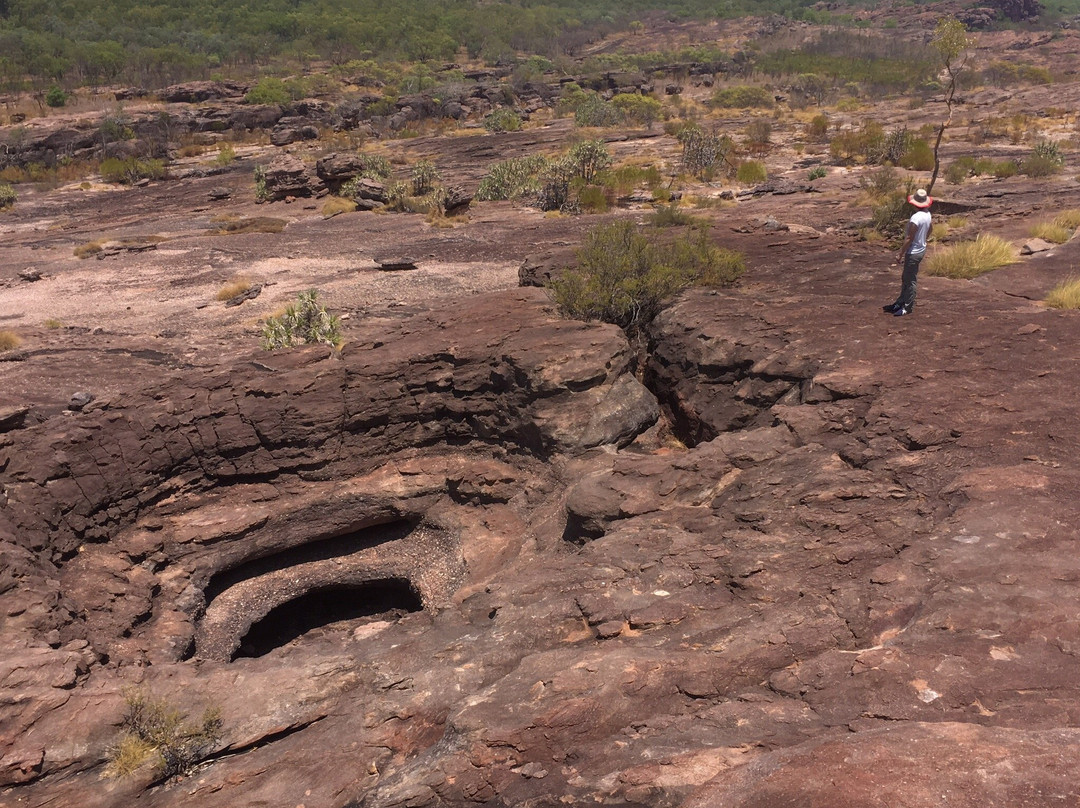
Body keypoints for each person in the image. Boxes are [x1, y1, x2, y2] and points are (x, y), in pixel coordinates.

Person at [883, 188, 933, 316]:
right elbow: (930, 229)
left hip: (913, 252)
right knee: (906, 277)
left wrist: (900, 254)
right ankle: (900, 302)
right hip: (920, 249)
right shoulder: (927, 214)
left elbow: (909, 238)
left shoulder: (916, 218)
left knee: (910, 280)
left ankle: (907, 306)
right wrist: (924, 239)